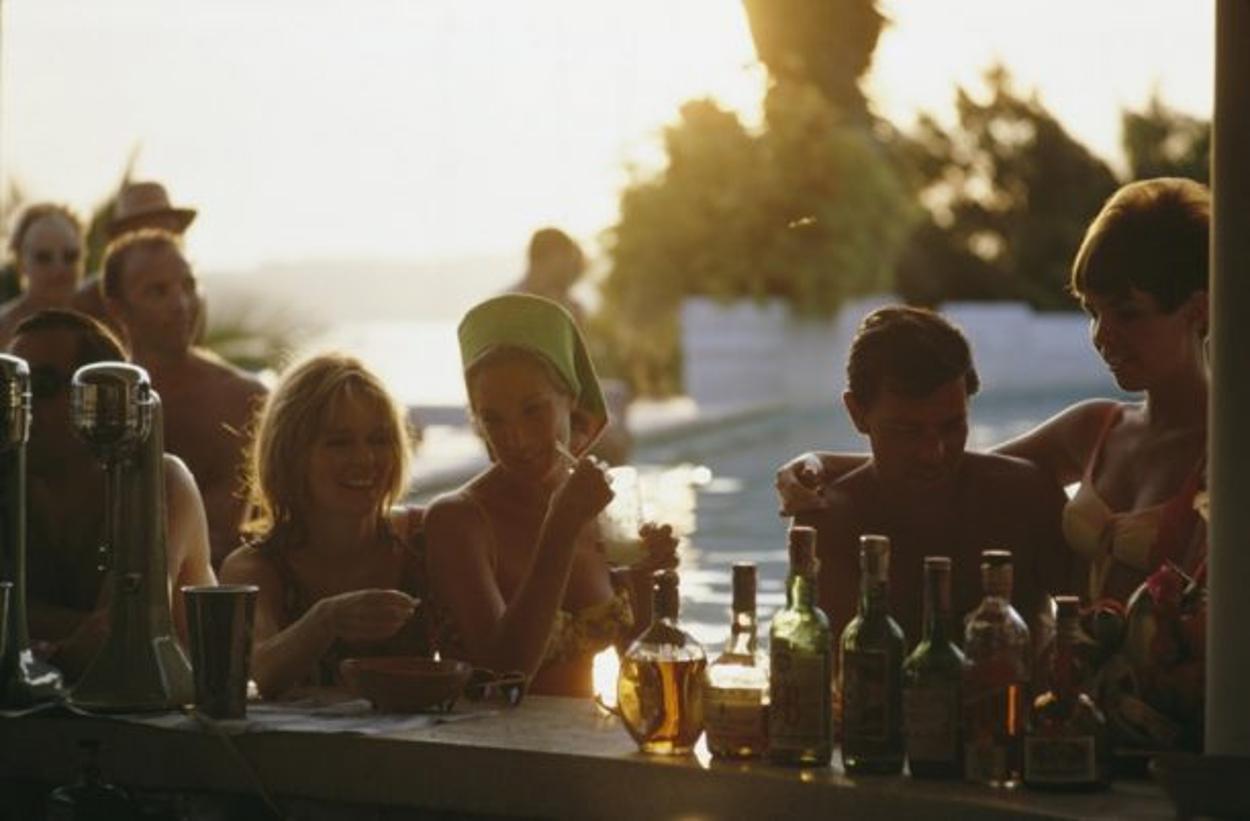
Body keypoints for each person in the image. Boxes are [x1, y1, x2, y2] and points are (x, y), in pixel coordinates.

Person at [776, 178, 1210, 606]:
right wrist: (819, 465)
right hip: (1076, 672)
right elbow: (951, 467)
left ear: (1199, 308)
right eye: (1093, 311)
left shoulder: (1227, 452)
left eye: (1127, 314)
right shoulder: (1093, 428)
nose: (1102, 335)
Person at [424, 294, 676, 697]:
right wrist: (559, 529)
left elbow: (645, 672)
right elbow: (503, 673)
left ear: (571, 400)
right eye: (494, 419)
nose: (516, 439)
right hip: (489, 752)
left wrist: (647, 577)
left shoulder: (601, 511)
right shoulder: (459, 520)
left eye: (533, 410)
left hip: (581, 742)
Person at [791, 306, 1070, 643]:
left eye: (952, 426)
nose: (933, 453)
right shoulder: (831, 521)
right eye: (906, 431)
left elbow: (1089, 626)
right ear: (857, 413)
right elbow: (827, 663)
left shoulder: (1027, 495)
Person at [8, 309, 216, 681]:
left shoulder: (160, 480)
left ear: (99, 402)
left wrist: (28, 637)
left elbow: (126, 632)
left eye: (41, 386)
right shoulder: (8, 485)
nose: (23, 407)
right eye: (12, 390)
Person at [218, 354, 428, 699]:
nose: (365, 459)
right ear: (290, 454)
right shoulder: (255, 569)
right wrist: (325, 620)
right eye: (339, 442)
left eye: (378, 439)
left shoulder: (425, 540)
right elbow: (260, 673)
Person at [101, 228, 267, 567]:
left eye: (188, 285)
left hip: (223, 594)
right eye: (157, 291)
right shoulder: (101, 405)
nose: (181, 304)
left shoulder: (245, 399)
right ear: (117, 308)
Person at [71, 180, 202, 343]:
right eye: (144, 230)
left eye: (163, 230)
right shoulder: (85, 301)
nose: (155, 239)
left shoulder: (193, 300)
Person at [0, 204, 84, 348]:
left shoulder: (106, 322)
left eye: (70, 257)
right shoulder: (3, 329)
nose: (59, 269)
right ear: (21, 263)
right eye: (43, 258)